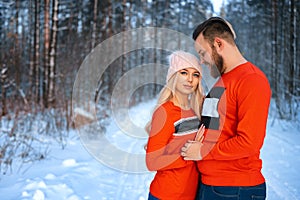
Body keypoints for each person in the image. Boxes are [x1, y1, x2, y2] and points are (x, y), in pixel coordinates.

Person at [181, 17, 272, 200]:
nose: (202, 61)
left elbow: (249, 142)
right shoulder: (223, 81)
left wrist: (202, 151)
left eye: (203, 53)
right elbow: (212, 128)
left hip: (234, 189)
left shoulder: (251, 80)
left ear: (218, 44)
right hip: (212, 185)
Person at [145, 50, 205, 200]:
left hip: (191, 194)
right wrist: (188, 155)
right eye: (184, 72)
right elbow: (152, 162)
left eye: (195, 74)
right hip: (166, 194)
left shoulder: (196, 111)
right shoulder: (164, 112)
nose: (190, 79)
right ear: (173, 76)